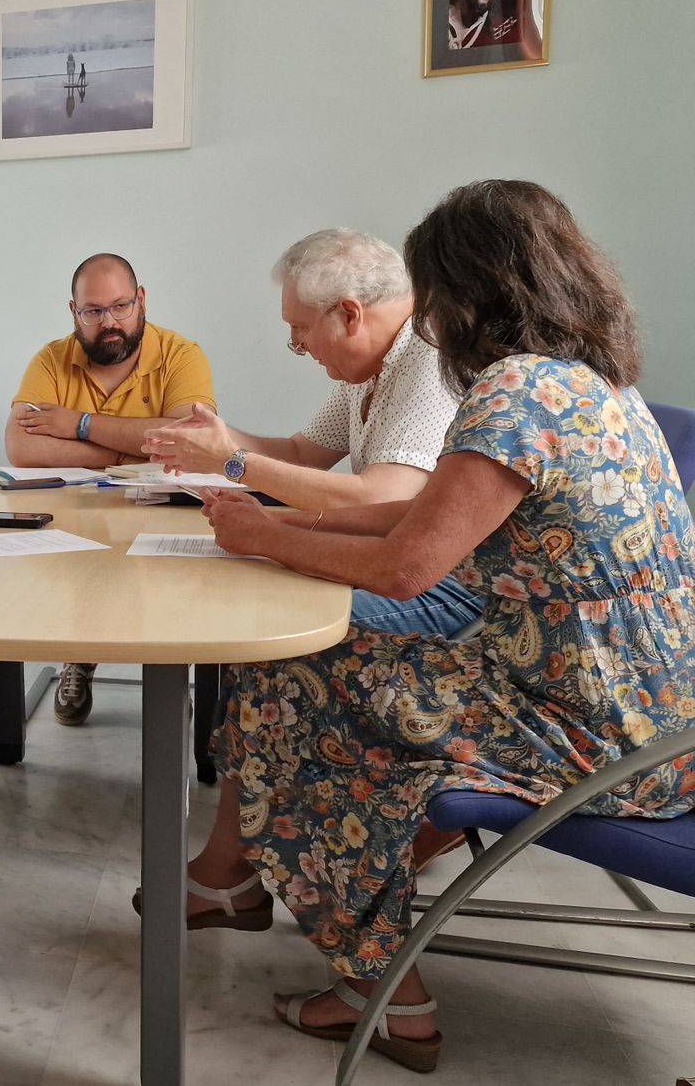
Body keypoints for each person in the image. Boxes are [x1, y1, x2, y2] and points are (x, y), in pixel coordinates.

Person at [187, 180, 694, 1073]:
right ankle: (339, 938)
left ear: (466, 291)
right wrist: (280, 525)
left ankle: (371, 981)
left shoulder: (513, 395)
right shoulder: (601, 384)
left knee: (287, 680)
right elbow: (424, 527)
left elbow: (406, 566)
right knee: (339, 676)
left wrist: (262, 530)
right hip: (663, 715)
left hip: (593, 733)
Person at [143, 229, 483, 641]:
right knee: (246, 590)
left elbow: (379, 498)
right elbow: (301, 454)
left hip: (455, 584)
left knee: (264, 611)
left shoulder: (429, 362)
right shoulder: (372, 367)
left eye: (301, 328)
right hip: (394, 561)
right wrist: (216, 437)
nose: (296, 343)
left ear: (349, 314)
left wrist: (231, 460)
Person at [7, 251, 216, 726]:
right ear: (74, 312)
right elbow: (20, 444)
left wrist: (79, 425)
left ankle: (170, 675)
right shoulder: (52, 358)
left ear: (141, 300)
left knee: (171, 589)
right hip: (74, 512)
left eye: (120, 307)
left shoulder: (182, 354)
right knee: (68, 572)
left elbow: (191, 439)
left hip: (164, 510)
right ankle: (78, 654)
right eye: (93, 312)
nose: (109, 323)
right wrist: (129, 452)